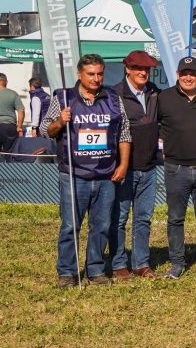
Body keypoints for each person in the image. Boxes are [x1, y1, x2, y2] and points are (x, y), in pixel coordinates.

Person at [41, 54, 131, 287]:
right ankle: (67, 272)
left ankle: (96, 270)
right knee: (71, 225)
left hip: (105, 175)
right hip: (74, 174)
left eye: (100, 73)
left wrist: (122, 165)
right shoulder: (63, 98)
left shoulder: (113, 97)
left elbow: (124, 134)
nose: (96, 78)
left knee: (101, 226)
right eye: (91, 74)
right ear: (79, 74)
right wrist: (60, 121)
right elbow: (45, 131)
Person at [158, 56, 196, 280]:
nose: (188, 77)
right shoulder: (164, 97)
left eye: (192, 73)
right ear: (177, 75)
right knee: (175, 218)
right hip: (176, 168)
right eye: (184, 73)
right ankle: (176, 263)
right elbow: (153, 125)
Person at [109, 50, 161, 281]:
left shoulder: (155, 93)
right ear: (127, 69)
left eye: (146, 69)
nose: (143, 73)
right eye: (138, 68)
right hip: (124, 168)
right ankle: (119, 263)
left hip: (149, 167)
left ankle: (141, 263)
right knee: (119, 218)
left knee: (143, 218)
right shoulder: (114, 95)